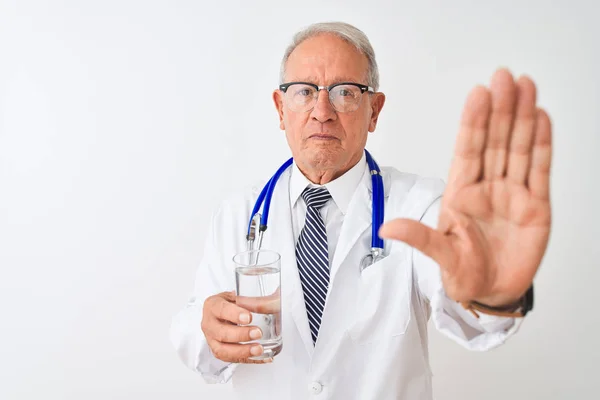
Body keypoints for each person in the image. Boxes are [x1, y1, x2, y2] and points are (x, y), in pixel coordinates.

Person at [169, 21, 552, 400]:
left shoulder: (422, 206)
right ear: (280, 108)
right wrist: (208, 329)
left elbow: (472, 311)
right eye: (303, 92)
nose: (322, 111)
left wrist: (490, 292)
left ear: (374, 110)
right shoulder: (239, 213)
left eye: (345, 93)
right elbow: (192, 333)